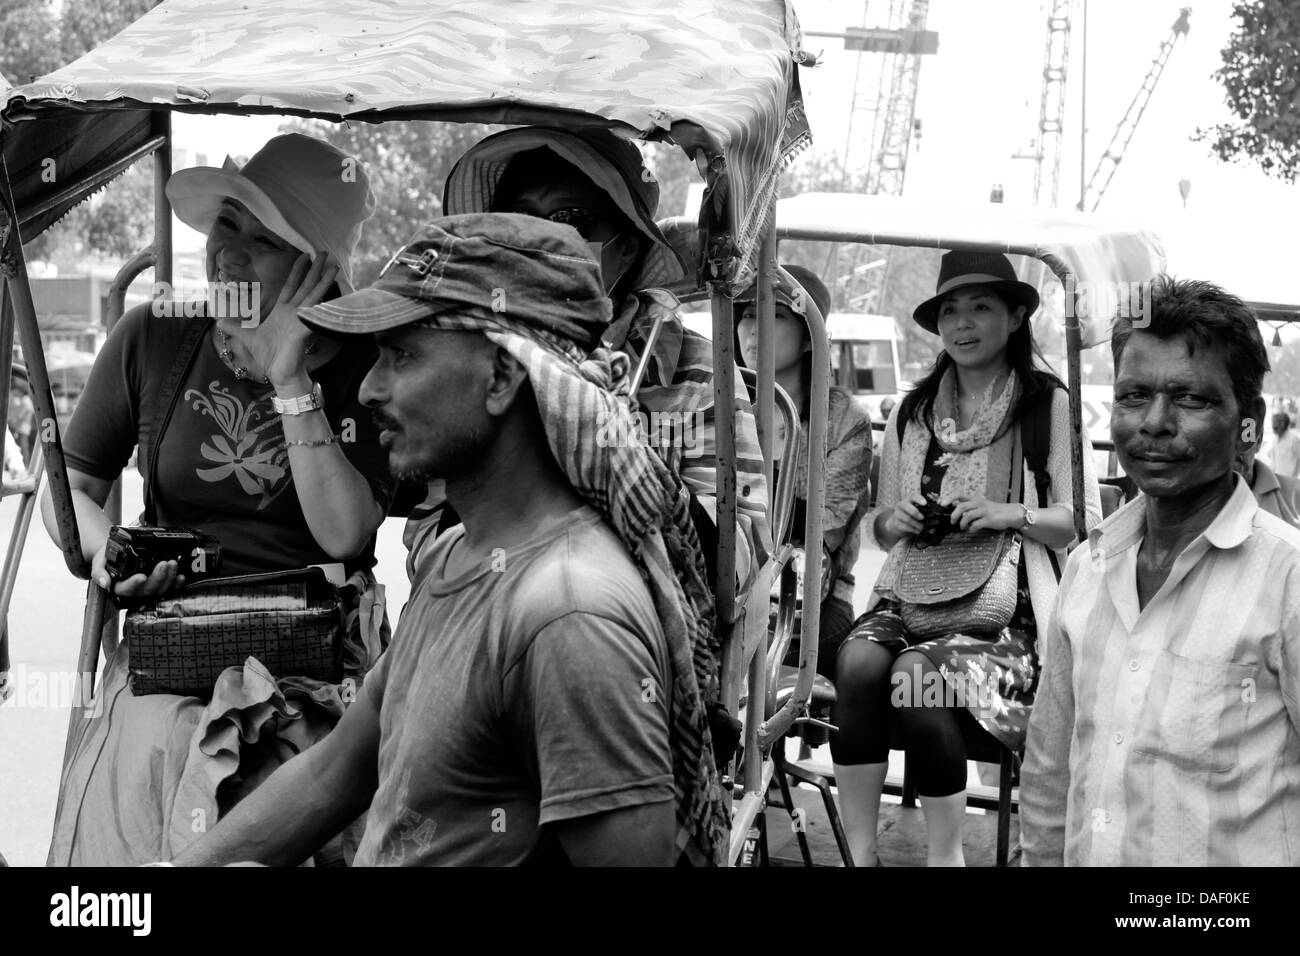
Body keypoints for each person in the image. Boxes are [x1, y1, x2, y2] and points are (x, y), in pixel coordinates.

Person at [172, 213, 728, 866]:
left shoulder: (569, 616)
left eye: (401, 355)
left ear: (501, 378)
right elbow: (336, 772)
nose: (370, 388)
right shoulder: (454, 555)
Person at [39, 132, 393, 866]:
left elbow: (344, 532)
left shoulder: (370, 363)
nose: (228, 253)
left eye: (261, 240)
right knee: (138, 788)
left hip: (313, 666)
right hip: (170, 650)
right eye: (228, 223)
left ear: (315, 268)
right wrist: (109, 551)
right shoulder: (153, 336)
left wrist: (291, 378)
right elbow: (71, 489)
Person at [830, 250, 1101, 866]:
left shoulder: (1048, 408)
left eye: (981, 307)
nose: (963, 322)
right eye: (950, 310)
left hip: (1011, 621)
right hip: (910, 597)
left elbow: (1082, 524)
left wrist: (1011, 514)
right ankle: (861, 856)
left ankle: (945, 858)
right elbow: (880, 527)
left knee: (915, 678)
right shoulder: (911, 412)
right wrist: (891, 520)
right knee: (858, 660)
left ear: (1013, 319)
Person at [417, 125, 770, 594]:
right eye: (521, 218)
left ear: (627, 247)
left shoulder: (696, 373)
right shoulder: (471, 356)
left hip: (636, 630)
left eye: (574, 221)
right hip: (483, 611)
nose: (545, 240)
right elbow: (429, 546)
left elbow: (736, 555)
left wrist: (625, 472)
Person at [1021, 278, 1300, 866]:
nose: (1154, 422)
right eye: (1133, 396)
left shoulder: (1288, 580)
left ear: (1247, 420)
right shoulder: (1086, 568)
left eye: (1191, 399)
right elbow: (1050, 769)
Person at [733, 265, 872, 676]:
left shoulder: (845, 419)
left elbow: (820, 527)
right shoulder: (719, 402)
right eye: (746, 315)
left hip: (811, 591)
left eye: (772, 315)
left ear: (810, 336)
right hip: (724, 576)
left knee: (770, 659)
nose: (753, 329)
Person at [1238, 419, 1300, 527]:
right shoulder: (1275, 439)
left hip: (1287, 480)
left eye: (1278, 423)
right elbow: (1272, 455)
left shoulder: (1293, 440)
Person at [1271, 411, 1300, 477]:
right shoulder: (1275, 439)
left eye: (1275, 426)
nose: (1273, 428)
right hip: (1276, 479)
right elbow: (1274, 459)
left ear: (1283, 425)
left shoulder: (1293, 440)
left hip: (1289, 480)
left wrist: (1294, 476)